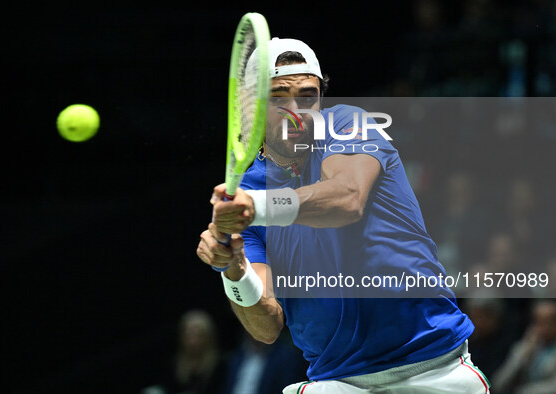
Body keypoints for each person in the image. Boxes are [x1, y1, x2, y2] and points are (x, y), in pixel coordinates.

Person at [197, 37, 489, 393]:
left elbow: (348, 198)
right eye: (278, 96)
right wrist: (233, 269)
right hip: (335, 381)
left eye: (307, 95)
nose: (296, 110)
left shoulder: (348, 124)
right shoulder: (251, 188)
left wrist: (256, 208)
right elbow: (267, 326)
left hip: (432, 370)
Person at [492, 299, 556, 394]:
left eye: (550, 321)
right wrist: (523, 355)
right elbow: (498, 384)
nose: (545, 327)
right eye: (539, 322)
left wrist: (523, 391)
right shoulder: (526, 345)